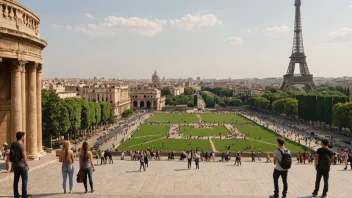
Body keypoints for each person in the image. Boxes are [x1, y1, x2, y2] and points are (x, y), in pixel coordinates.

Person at [10, 132, 31, 198]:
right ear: (22, 137)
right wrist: (27, 165)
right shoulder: (21, 144)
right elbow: (24, 156)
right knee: (24, 180)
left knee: (16, 180)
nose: (24, 137)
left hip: (15, 165)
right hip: (21, 165)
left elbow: (10, 154)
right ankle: (24, 195)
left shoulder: (13, 144)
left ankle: (16, 195)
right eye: (23, 136)